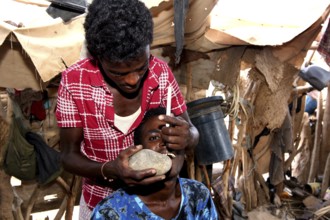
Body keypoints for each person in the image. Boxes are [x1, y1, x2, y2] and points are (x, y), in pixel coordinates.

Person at [55, 0, 199, 218]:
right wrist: (110, 169)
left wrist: (188, 137)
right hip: (100, 203)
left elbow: (192, 131)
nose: (132, 80)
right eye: (118, 73)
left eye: (141, 68)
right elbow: (68, 156)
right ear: (98, 58)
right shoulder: (74, 82)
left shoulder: (160, 73)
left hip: (160, 203)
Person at [91, 107, 218, 220]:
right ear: (138, 152)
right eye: (154, 138)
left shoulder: (197, 195)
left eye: (174, 135)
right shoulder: (111, 212)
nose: (166, 141)